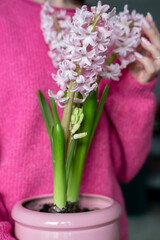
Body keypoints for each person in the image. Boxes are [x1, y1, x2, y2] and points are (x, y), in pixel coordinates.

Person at [0, 0, 160, 239]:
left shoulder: (106, 30)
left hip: (101, 228)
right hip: (22, 230)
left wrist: (136, 86)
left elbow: (124, 167)